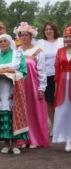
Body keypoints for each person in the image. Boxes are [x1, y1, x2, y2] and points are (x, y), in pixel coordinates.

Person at [0, 34, 29, 155]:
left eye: (5, 41)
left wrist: (13, 74)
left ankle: (15, 144)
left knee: (13, 115)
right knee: (2, 116)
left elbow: (24, 72)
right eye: (0, 41)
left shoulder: (18, 55)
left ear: (10, 42)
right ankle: (5, 143)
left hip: (13, 90)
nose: (3, 43)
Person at [14, 22, 49, 148]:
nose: (23, 37)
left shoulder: (37, 51)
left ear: (31, 36)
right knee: (21, 111)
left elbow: (42, 70)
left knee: (33, 112)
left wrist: (42, 87)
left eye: (26, 35)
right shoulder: (16, 51)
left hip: (33, 85)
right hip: (19, 86)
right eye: (21, 35)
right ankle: (23, 139)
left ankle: (34, 139)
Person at [37, 22, 64, 137]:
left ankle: (64, 126)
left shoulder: (61, 41)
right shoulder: (40, 43)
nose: (48, 31)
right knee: (50, 101)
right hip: (46, 75)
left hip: (61, 75)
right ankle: (54, 127)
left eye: (50, 29)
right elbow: (34, 55)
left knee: (62, 102)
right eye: (46, 29)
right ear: (44, 31)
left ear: (54, 30)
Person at [53, 23, 71, 152]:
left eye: (70, 36)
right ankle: (67, 138)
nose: (68, 39)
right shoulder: (60, 51)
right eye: (66, 36)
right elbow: (57, 70)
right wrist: (56, 88)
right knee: (64, 110)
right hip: (63, 84)